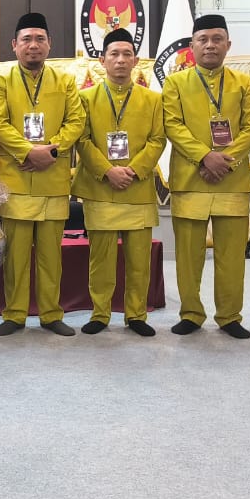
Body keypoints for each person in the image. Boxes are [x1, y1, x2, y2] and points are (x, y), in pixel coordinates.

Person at [162, 13, 250, 339]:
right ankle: (191, 313)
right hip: (190, 180)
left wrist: (225, 160)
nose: (210, 45)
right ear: (192, 46)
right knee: (188, 256)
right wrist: (205, 156)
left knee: (231, 256)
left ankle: (229, 316)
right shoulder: (175, 83)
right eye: (203, 40)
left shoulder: (244, 83)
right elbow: (172, 125)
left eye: (217, 39)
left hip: (231, 182)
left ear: (228, 44)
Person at [0, 11, 85, 336]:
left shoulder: (65, 81)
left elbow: (76, 122)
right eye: (26, 39)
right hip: (16, 182)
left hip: (53, 181)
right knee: (15, 258)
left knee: (51, 257)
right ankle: (14, 314)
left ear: (49, 44)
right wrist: (29, 152)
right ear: (14, 45)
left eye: (40, 39)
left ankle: (51, 314)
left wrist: (51, 151)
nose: (33, 45)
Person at [72, 29, 166, 336]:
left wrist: (134, 170)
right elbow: (82, 140)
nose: (121, 60)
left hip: (137, 188)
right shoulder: (85, 98)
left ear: (136, 61)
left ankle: (136, 315)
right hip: (100, 187)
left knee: (139, 260)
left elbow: (158, 140)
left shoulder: (153, 100)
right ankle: (100, 313)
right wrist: (107, 170)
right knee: (101, 259)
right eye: (114, 54)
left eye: (127, 54)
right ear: (102, 60)